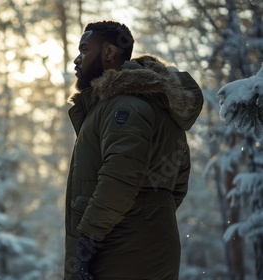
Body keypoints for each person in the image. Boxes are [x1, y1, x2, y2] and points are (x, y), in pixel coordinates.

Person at [65, 21, 203, 280]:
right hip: (145, 248)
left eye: (84, 49)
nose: (77, 59)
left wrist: (87, 243)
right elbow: (178, 182)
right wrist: (149, 216)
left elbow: (120, 178)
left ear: (108, 53)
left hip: (121, 253)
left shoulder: (124, 107)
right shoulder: (157, 106)